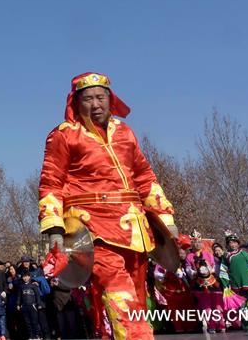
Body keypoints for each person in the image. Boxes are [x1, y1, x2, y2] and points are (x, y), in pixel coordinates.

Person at [38, 72, 177, 340]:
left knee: (137, 298)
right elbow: (51, 181)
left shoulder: (125, 132)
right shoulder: (64, 135)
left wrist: (165, 216)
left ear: (110, 99)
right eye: (88, 98)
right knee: (119, 293)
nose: (96, 104)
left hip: (136, 231)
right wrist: (54, 226)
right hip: (92, 230)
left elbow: (145, 176)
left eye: (101, 97)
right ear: (77, 102)